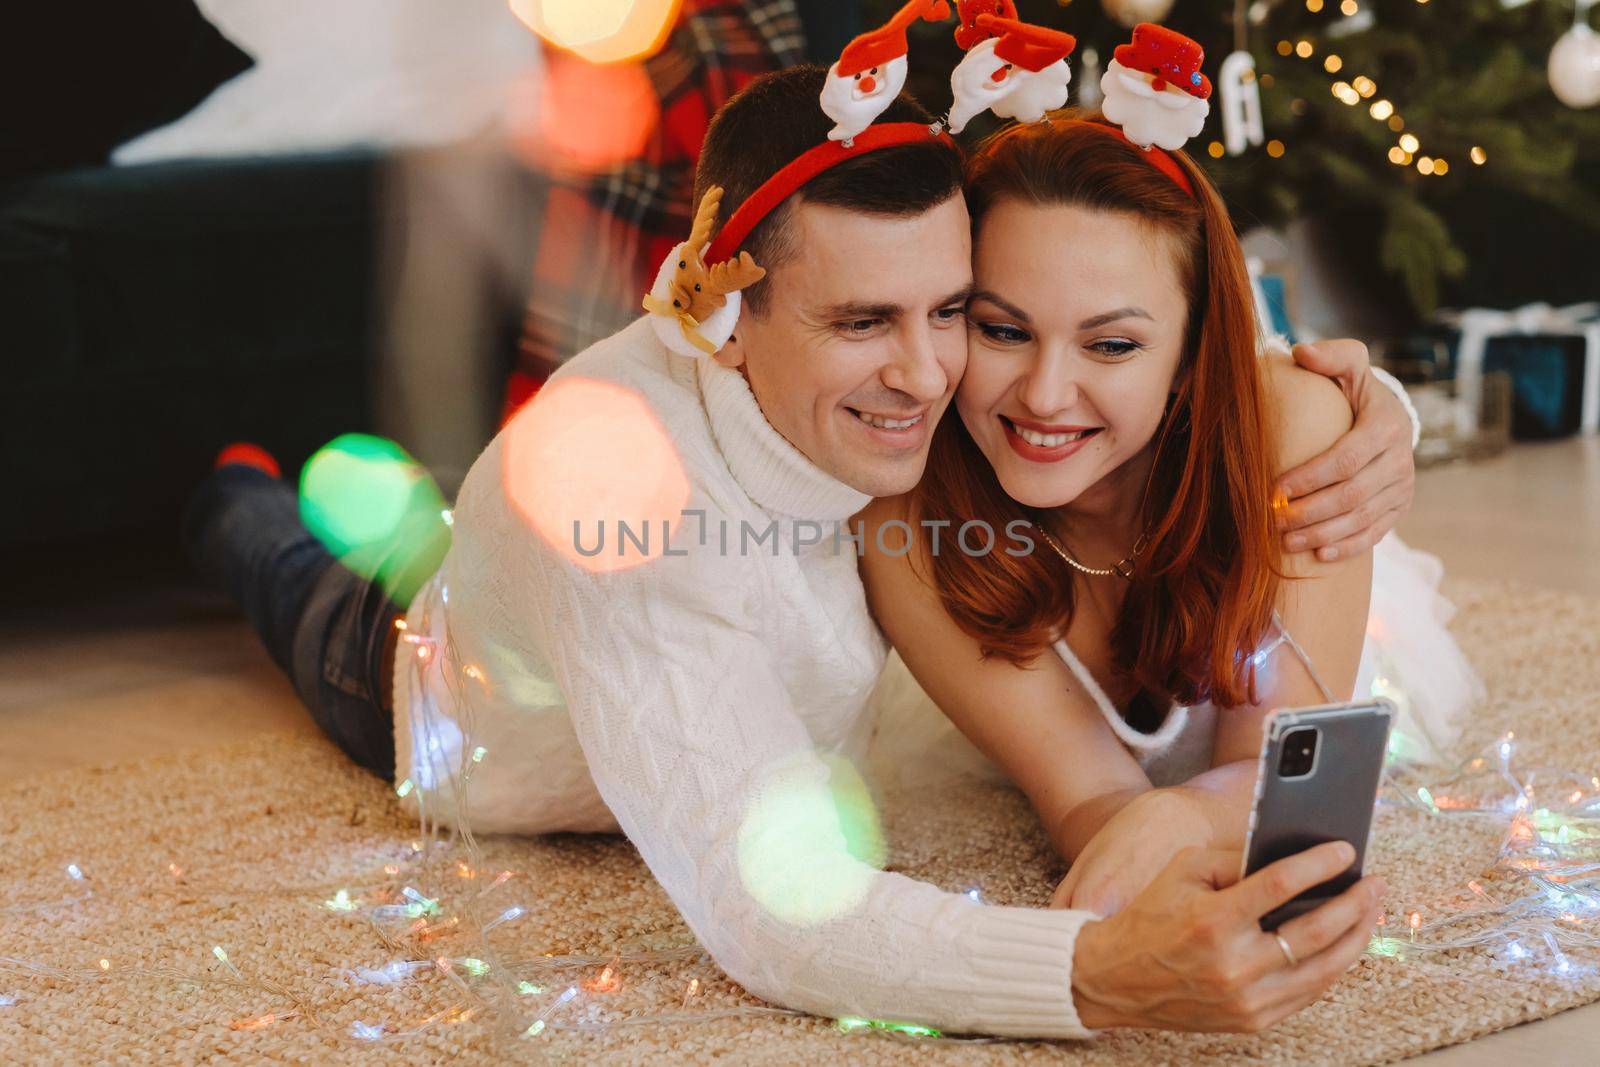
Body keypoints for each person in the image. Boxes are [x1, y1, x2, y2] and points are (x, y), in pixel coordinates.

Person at [185, 65, 1410, 1037]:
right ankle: (225, 492)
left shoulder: (945, 426)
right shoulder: (635, 509)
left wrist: (1378, 409)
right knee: (292, 574)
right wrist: (1092, 971)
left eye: (947, 310)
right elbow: (769, 908)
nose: (930, 375)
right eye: (862, 320)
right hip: (457, 708)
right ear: (719, 320)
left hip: (640, 594)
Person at [858, 112, 1482, 924]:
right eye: (1003, 330)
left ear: (1192, 355)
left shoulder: (1289, 434)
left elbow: (1292, 791)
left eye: (1111, 346)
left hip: (1323, 603)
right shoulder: (910, 520)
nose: (1044, 395)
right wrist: (1153, 826)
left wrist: (1181, 814)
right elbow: (1085, 800)